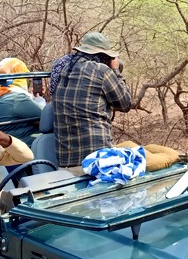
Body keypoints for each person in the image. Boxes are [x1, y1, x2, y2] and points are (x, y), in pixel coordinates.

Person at [51, 32, 132, 171]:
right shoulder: (101, 70)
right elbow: (125, 103)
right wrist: (115, 71)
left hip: (66, 163)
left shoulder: (62, 69)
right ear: (103, 55)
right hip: (97, 160)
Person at [0, 58, 43, 147]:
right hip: (26, 146)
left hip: (8, 145)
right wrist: (40, 100)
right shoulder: (17, 99)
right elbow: (47, 120)